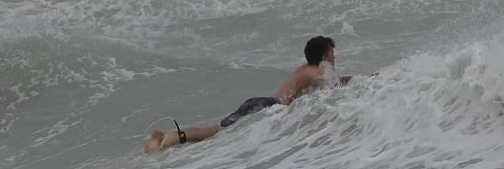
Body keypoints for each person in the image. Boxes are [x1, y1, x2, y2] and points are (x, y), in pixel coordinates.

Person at [144, 35, 355, 153]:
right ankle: (171, 137)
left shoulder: (303, 69)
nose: (334, 58)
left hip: (259, 102)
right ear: (324, 57)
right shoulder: (316, 71)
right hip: (268, 107)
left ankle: (172, 136)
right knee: (219, 136)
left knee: (219, 131)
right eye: (332, 54)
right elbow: (333, 85)